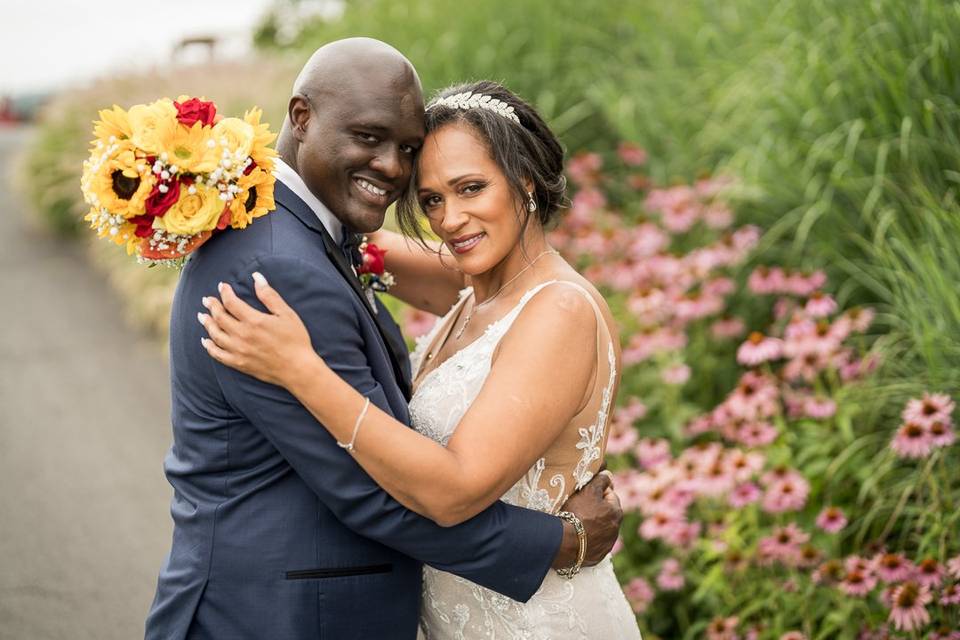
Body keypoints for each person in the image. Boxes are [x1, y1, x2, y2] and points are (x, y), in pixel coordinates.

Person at [146, 39, 622, 640]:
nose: (447, 220)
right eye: (431, 201)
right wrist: (560, 542)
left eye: (470, 187)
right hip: (278, 615)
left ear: (524, 180)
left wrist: (304, 366)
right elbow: (375, 494)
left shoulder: (545, 306)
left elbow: (440, 265)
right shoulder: (287, 261)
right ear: (302, 118)